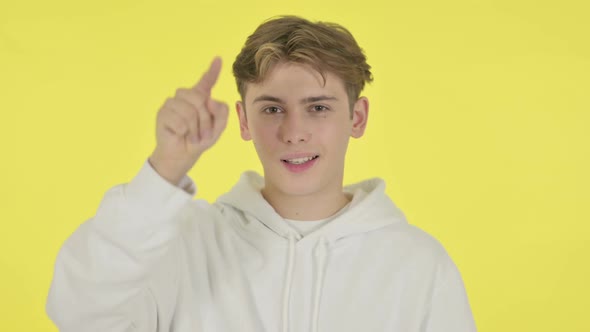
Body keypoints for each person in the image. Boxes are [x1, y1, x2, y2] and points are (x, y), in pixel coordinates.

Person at [46, 15, 476, 332]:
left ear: (357, 117)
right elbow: (78, 313)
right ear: (244, 120)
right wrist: (166, 168)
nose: (293, 133)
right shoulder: (181, 245)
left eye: (318, 107)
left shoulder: (419, 265)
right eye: (272, 108)